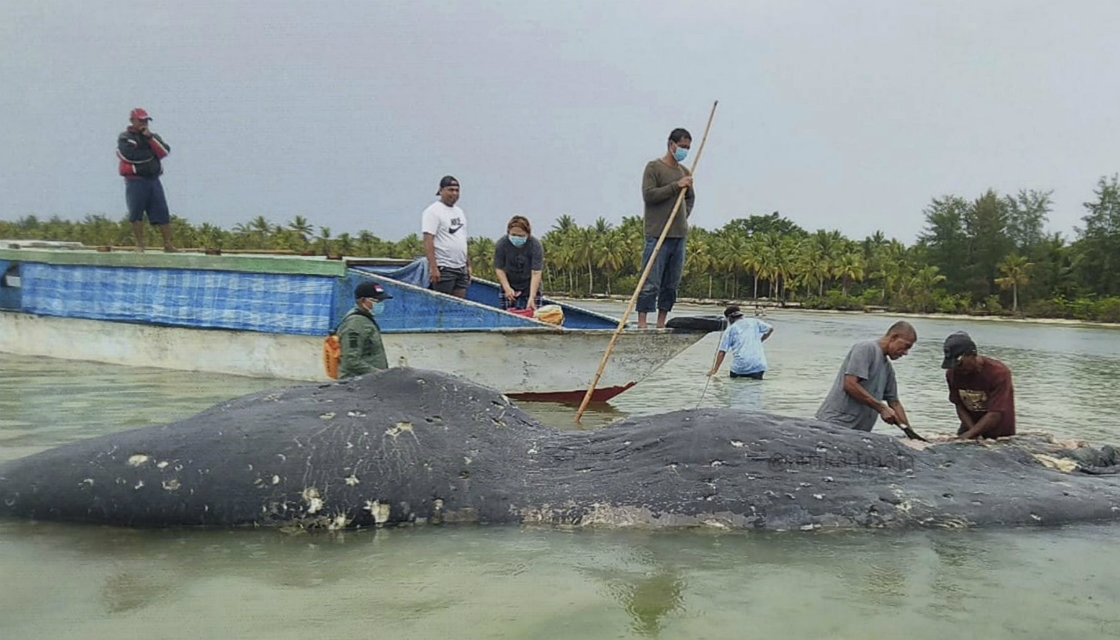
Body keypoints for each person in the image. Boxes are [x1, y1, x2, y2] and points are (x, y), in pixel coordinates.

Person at [637, 128, 695, 329]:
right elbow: (649, 195)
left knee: (671, 285)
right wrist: (676, 186)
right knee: (650, 282)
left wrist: (683, 215)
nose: (684, 151)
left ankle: (661, 323)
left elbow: (690, 198)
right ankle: (642, 323)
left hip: (679, 236)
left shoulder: (685, 172)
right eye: (682, 147)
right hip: (657, 234)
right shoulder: (654, 168)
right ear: (671, 145)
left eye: (688, 148)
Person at [816, 321, 916, 433]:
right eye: (906, 346)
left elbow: (894, 403)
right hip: (836, 424)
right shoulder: (866, 348)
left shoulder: (887, 368)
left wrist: (910, 433)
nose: (906, 353)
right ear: (893, 337)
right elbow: (850, 384)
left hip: (859, 431)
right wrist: (881, 408)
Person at [116, 108, 176, 253]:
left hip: (153, 180)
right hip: (135, 181)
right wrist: (152, 154)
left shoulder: (152, 137)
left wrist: (150, 139)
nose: (144, 123)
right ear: (133, 121)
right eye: (141, 120)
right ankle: (140, 245)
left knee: (162, 212)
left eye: (146, 121)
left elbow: (164, 151)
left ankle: (168, 244)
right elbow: (130, 155)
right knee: (136, 213)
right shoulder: (125, 137)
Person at [942, 331, 1016, 439]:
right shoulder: (952, 374)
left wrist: (970, 435)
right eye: (953, 365)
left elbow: (995, 413)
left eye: (960, 364)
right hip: (969, 427)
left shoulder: (998, 373)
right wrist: (971, 432)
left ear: (973, 354)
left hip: (999, 433)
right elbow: (959, 405)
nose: (957, 369)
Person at [422, 175, 471, 298]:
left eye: (456, 190)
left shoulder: (459, 212)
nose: (454, 193)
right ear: (441, 190)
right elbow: (428, 240)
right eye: (450, 190)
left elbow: (461, 239)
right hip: (444, 267)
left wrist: (468, 265)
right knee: (443, 304)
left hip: (460, 267)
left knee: (460, 305)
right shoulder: (433, 211)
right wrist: (434, 267)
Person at [337, 281, 392, 378]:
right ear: (363, 301)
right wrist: (377, 373)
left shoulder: (366, 320)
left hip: (370, 382)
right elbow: (350, 360)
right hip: (357, 385)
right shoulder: (355, 323)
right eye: (377, 301)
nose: (380, 305)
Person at [707, 305, 774, 379]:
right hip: (759, 365)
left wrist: (715, 370)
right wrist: (762, 339)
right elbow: (770, 329)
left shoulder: (730, 329)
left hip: (740, 367)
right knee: (755, 388)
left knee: (735, 387)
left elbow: (722, 352)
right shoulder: (754, 322)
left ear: (729, 318)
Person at [493, 215, 544, 311]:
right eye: (513, 235)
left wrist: (532, 297)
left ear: (528, 234)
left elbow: (536, 273)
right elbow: (499, 269)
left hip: (530, 285)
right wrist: (507, 288)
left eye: (521, 236)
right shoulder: (502, 244)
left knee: (533, 313)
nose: (517, 238)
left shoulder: (535, 245)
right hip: (510, 283)